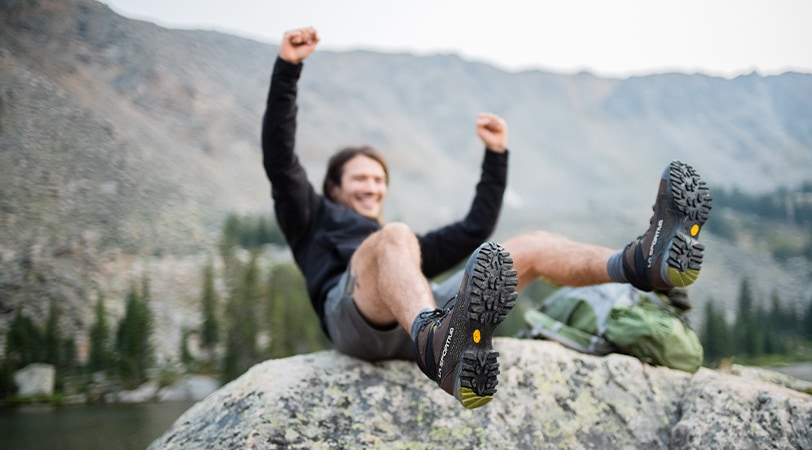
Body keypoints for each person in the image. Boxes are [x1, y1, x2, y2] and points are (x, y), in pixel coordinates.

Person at [262, 27, 712, 410]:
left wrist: (496, 155)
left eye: (380, 180)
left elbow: (475, 229)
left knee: (530, 245)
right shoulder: (311, 217)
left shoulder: (399, 255)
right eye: (361, 178)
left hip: (415, 316)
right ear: (333, 188)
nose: (373, 187)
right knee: (394, 239)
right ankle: (437, 346)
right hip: (352, 320)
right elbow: (280, 158)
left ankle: (641, 263)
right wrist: (288, 66)